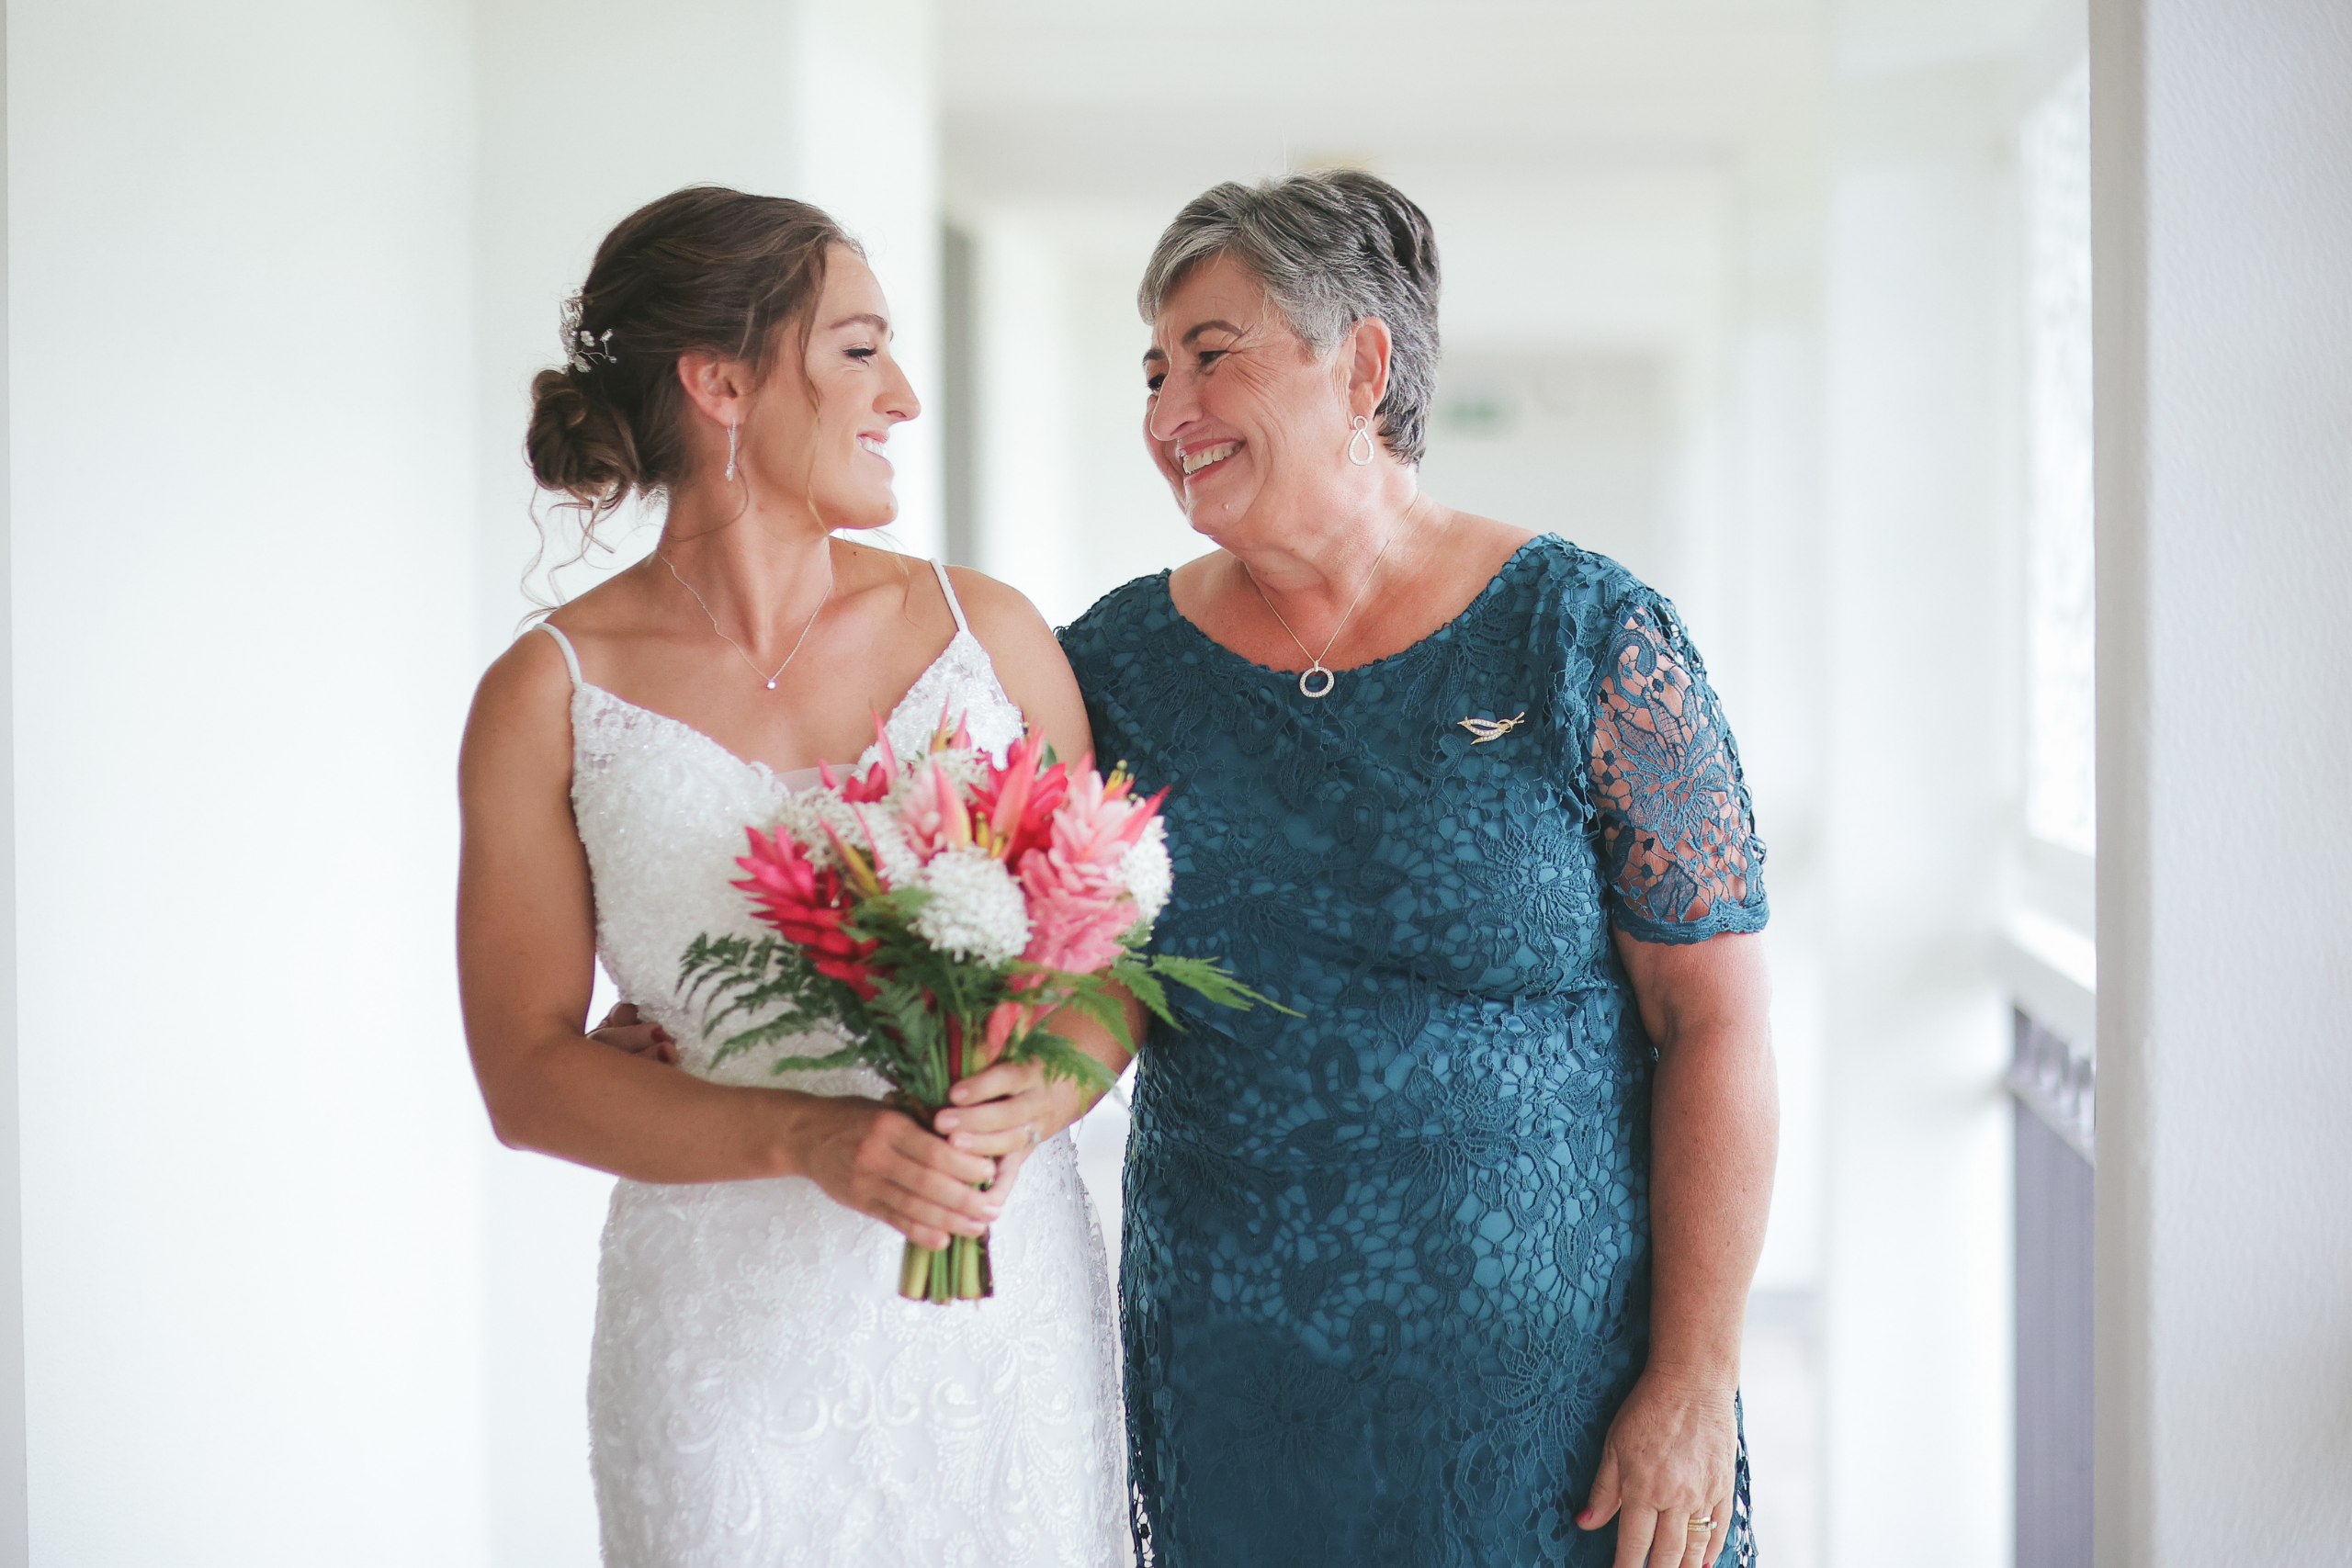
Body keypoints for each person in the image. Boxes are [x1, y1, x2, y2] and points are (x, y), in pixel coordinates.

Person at [1054, 172, 1777, 1568]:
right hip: (1241, 1417)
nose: (1163, 416)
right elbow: (1017, 927)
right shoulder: (1114, 669)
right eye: (1152, 370)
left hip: (1563, 1437)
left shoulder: (1585, 638)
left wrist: (1694, 1376)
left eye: (1213, 354)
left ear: (1364, 366)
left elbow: (1719, 1018)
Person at [455, 186, 1125, 1568]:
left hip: (999, 1320)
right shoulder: (547, 695)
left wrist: (1039, 1092)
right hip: (720, 1341)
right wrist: (803, 1136)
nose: (906, 397)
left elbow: (1109, 959)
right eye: (862, 350)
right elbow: (524, 1070)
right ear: (721, 384)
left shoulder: (984, 632)